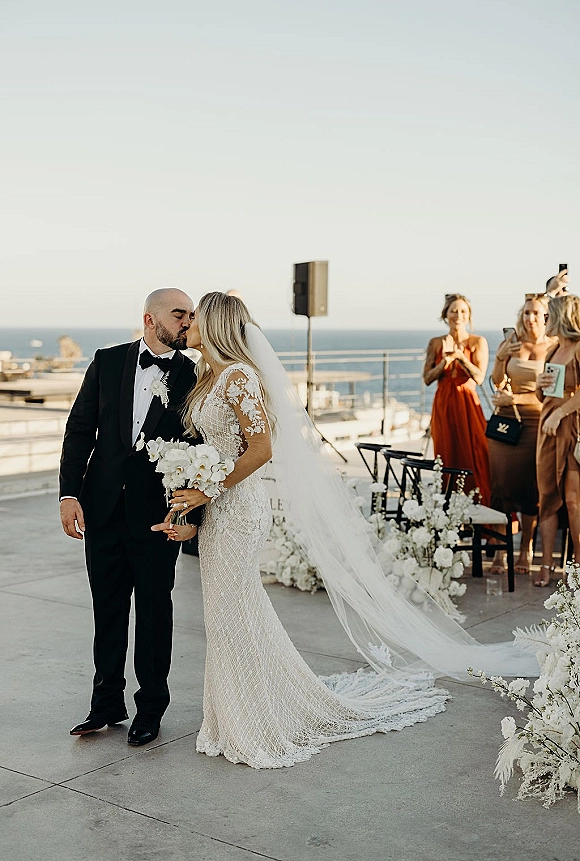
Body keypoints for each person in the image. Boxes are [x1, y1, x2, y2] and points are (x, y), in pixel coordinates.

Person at [152, 292, 537, 770]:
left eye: (195, 318)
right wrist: (195, 508)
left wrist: (207, 492)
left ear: (214, 324)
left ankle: (254, 720)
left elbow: (260, 450)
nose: (187, 324)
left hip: (240, 510)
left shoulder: (239, 378)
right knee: (227, 614)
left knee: (234, 613)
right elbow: (215, 451)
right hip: (219, 513)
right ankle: (232, 716)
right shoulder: (211, 377)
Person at [59, 289, 199, 745]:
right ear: (149, 318)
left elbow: (203, 453)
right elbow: (80, 428)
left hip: (159, 517)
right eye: (178, 314)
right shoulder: (108, 360)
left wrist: (190, 515)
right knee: (109, 609)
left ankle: (151, 709)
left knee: (156, 613)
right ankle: (105, 704)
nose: (186, 322)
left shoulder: (195, 375)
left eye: (190, 316)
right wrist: (68, 494)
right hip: (101, 510)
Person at [487, 295, 552, 574]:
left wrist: (515, 400)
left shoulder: (555, 347)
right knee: (500, 487)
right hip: (504, 423)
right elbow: (497, 381)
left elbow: (550, 395)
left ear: (547, 316)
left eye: (536, 313)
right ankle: (502, 550)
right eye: (526, 313)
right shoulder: (511, 343)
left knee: (529, 489)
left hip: (536, 422)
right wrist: (501, 358)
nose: (530, 318)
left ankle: (526, 549)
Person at [423, 294, 491, 504]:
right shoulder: (435, 343)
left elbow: (479, 377)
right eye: (453, 310)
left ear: (469, 315)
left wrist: (461, 358)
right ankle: (449, 514)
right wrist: (444, 362)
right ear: (446, 314)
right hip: (443, 403)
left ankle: (481, 509)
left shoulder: (477, 341)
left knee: (476, 453)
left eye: (463, 311)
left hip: (467, 401)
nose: (458, 315)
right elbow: (427, 378)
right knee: (445, 455)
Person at [534, 295, 580, 586]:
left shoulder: (579, 347)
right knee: (547, 498)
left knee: (574, 501)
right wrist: (539, 387)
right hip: (546, 428)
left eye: (547, 316)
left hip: (571, 427)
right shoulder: (552, 350)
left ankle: (577, 566)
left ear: (560, 317)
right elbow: (545, 396)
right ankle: (547, 564)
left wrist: (560, 414)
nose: (543, 321)